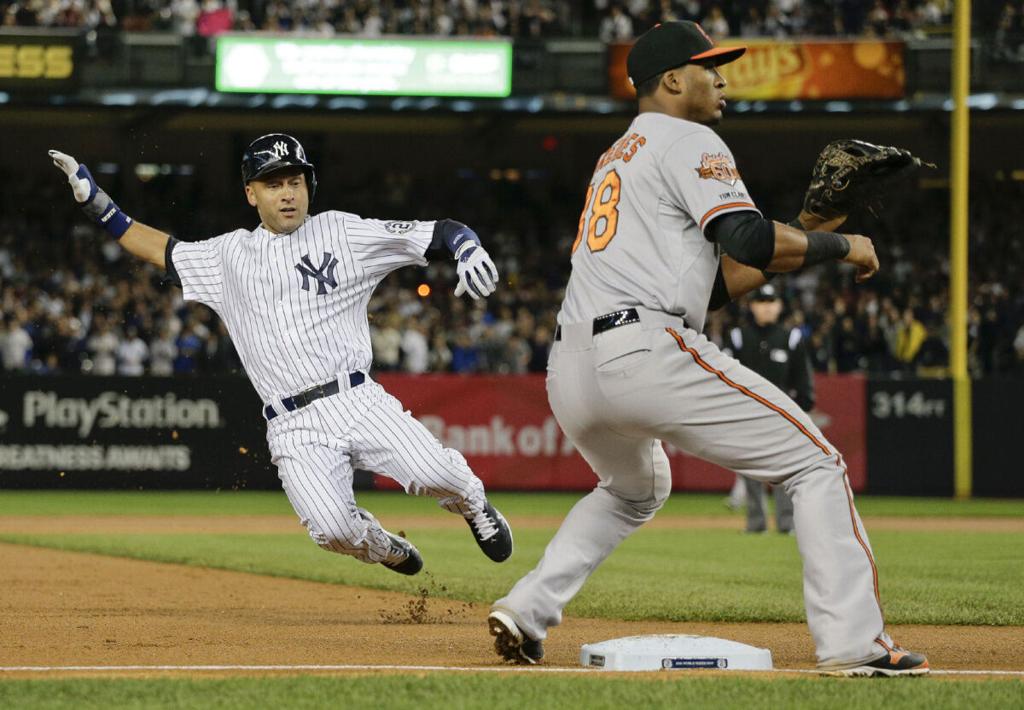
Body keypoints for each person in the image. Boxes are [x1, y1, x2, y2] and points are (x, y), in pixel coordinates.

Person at [487, 21, 928, 677]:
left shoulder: (618, 155)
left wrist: (808, 230)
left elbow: (717, 285)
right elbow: (748, 238)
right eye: (709, 68)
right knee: (816, 464)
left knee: (634, 489)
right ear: (672, 80)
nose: (723, 80)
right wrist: (844, 245)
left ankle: (525, 609)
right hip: (642, 349)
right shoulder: (690, 136)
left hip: (573, 367)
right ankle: (855, 644)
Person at [49, 133, 513, 575]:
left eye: (295, 182)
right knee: (332, 532)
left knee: (438, 474)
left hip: (356, 399)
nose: (288, 194)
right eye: (274, 184)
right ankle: (382, 546)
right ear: (252, 194)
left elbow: (436, 230)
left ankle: (474, 502)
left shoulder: (341, 232)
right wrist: (98, 206)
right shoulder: (228, 255)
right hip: (291, 424)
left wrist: (465, 245)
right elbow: (159, 249)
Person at [724, 283, 814, 534]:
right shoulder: (738, 337)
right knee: (750, 471)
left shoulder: (790, 338)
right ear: (752, 306)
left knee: (784, 473)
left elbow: (803, 379)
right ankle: (756, 523)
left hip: (781, 417)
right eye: (761, 302)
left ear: (779, 306)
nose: (766, 307)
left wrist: (804, 405)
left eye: (771, 302)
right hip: (746, 415)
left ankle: (786, 523)